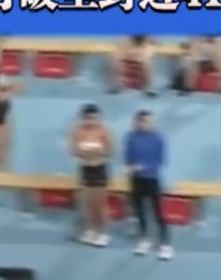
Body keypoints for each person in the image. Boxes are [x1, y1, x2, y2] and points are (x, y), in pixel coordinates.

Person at [124, 110, 172, 259]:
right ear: (137, 122)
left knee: (159, 212)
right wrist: (129, 168)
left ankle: (165, 244)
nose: (149, 124)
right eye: (145, 121)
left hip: (152, 179)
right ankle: (144, 239)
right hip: (135, 180)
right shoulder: (130, 138)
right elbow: (128, 157)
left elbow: (160, 161)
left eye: (150, 122)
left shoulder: (158, 139)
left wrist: (142, 167)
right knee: (139, 211)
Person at [70, 104, 113, 247]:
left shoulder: (104, 131)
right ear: (82, 118)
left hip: (99, 169)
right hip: (85, 168)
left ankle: (103, 232)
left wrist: (95, 153)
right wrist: (83, 152)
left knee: (99, 203)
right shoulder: (77, 131)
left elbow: (109, 151)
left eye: (94, 118)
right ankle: (90, 230)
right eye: (87, 118)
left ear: (99, 118)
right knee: (87, 202)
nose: (91, 121)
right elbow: (72, 151)